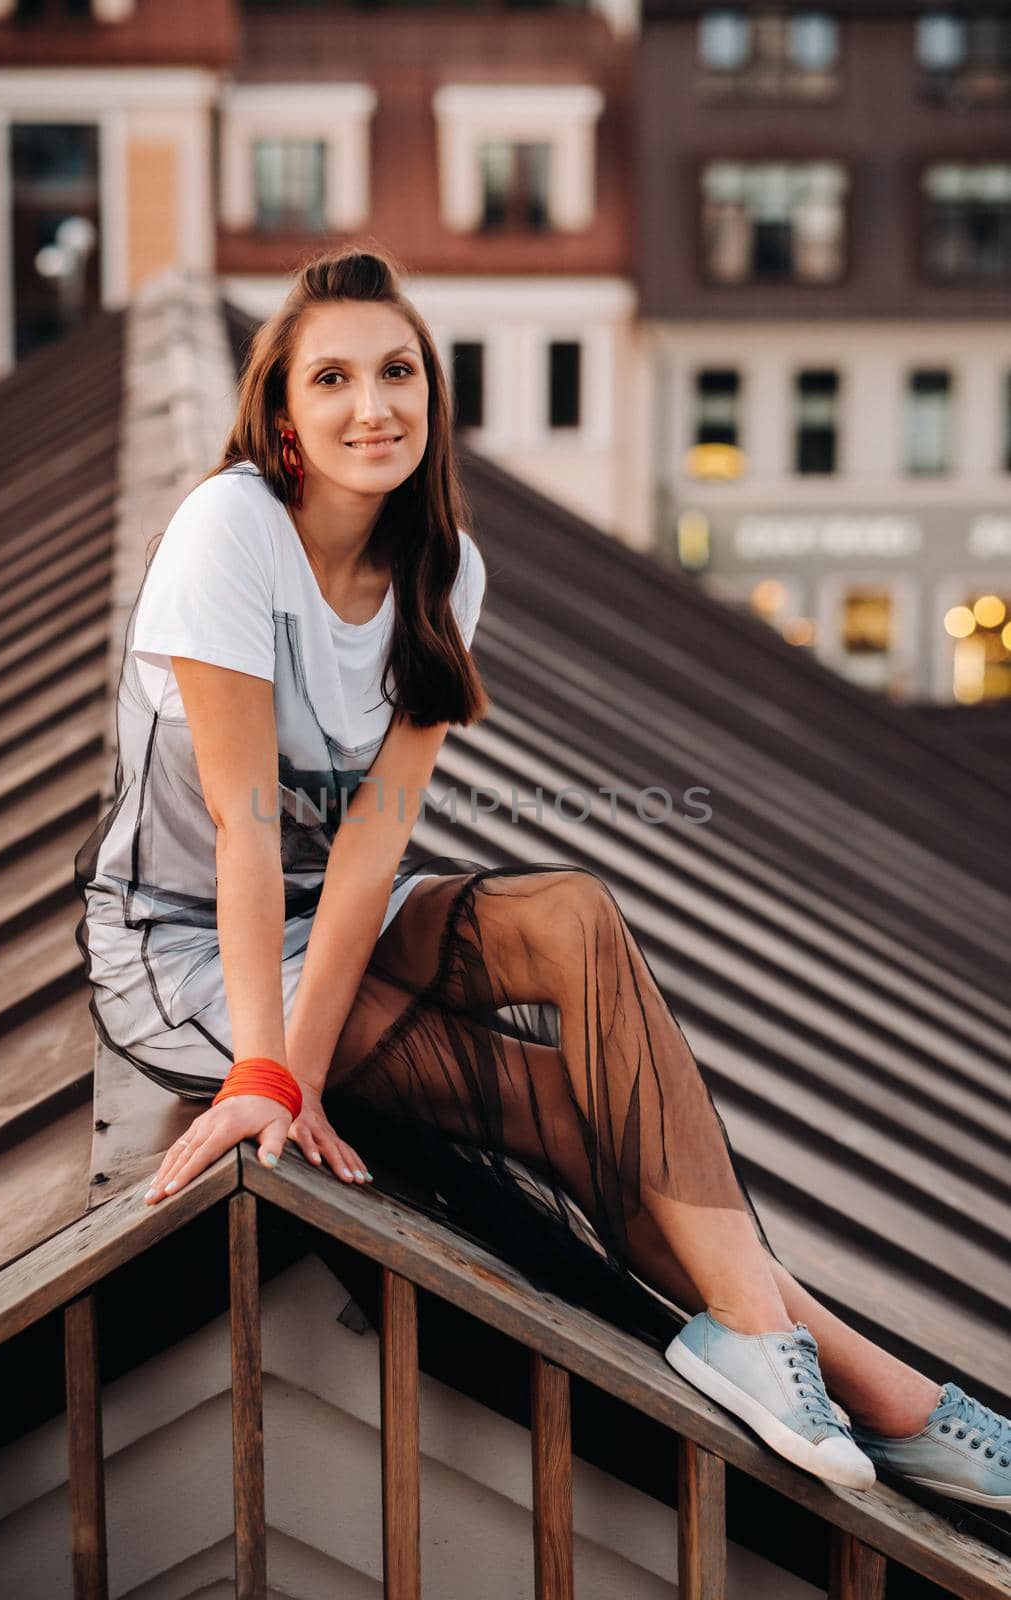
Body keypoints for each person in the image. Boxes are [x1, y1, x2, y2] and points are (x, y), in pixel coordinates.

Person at [74, 244, 1011, 1511]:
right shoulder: (230, 531)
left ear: (431, 396)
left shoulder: (443, 571)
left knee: (571, 912)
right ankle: (882, 1395)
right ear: (283, 419)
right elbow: (245, 835)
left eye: (397, 371)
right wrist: (266, 1071)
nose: (373, 405)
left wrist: (302, 1041)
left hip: (324, 917)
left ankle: (769, 1350)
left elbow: (365, 854)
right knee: (573, 1121)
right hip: (181, 941)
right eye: (334, 379)